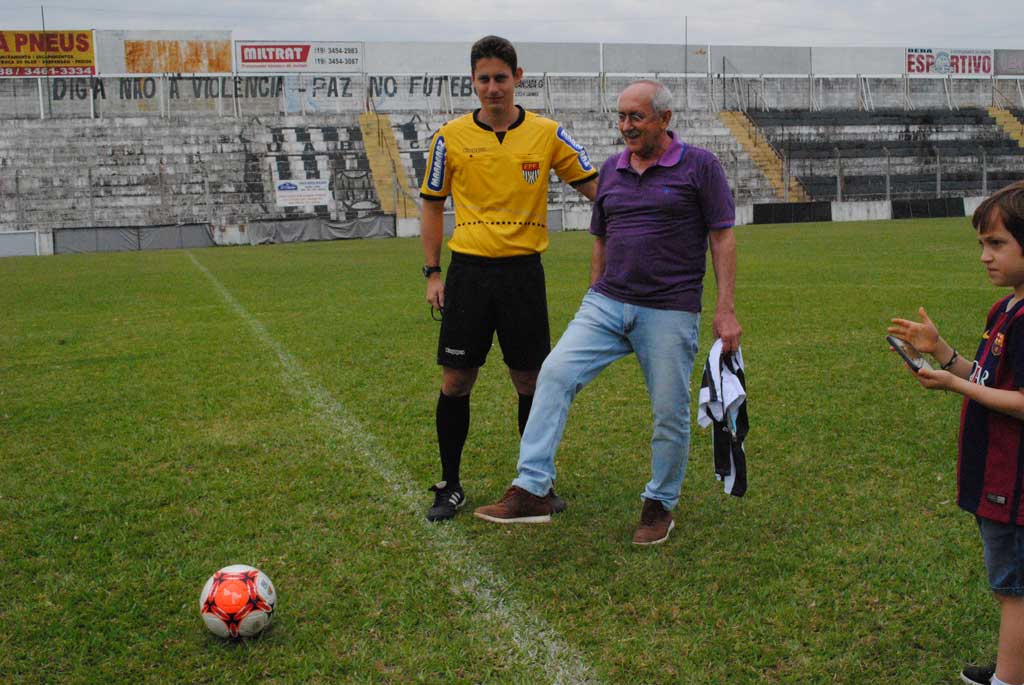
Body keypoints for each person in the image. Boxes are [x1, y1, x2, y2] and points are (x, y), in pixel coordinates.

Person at [473, 79, 741, 545]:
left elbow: (721, 236)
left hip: (668, 310)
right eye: (620, 117)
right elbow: (601, 234)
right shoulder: (613, 169)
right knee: (554, 373)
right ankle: (532, 488)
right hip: (606, 304)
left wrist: (725, 310)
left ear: (664, 119)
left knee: (669, 412)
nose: (625, 126)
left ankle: (660, 505)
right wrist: (596, 291)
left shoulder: (700, 166)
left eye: (636, 117)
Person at [419, 35, 599, 522]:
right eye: (484, 79)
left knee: (532, 382)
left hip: (523, 274)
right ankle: (450, 483)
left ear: (518, 79)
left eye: (501, 77)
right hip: (469, 275)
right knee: (456, 380)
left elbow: (596, 189)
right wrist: (434, 272)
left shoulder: (547, 134)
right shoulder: (449, 137)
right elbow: (432, 204)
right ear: (472, 82)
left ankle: (535, 484)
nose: (492, 88)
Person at [888, 182, 1024, 685]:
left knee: (1014, 588)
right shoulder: (1004, 309)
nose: (985, 257)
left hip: (1015, 482)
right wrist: (944, 354)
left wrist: (956, 387)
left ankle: (1008, 679)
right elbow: (989, 378)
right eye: (981, 245)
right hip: (998, 474)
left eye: (997, 244)